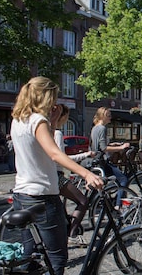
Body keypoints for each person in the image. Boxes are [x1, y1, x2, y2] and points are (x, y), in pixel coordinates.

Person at [10, 76, 103, 274]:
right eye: (53, 97)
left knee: (31, 256)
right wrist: (86, 174)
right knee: (56, 259)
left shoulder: (19, 120)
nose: (54, 102)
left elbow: (40, 149)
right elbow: (54, 153)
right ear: (45, 96)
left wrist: (52, 123)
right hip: (42, 197)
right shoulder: (37, 120)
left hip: (22, 194)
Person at [52, 104, 95, 246]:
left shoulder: (45, 131)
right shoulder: (57, 133)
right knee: (83, 201)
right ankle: (73, 234)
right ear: (62, 116)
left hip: (47, 176)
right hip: (56, 176)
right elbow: (62, 159)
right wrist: (85, 155)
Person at [90, 107, 130, 209]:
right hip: (103, 161)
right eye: (108, 115)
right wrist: (121, 147)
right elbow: (103, 148)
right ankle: (118, 205)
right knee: (123, 180)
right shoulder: (102, 128)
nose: (110, 118)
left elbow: (98, 145)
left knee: (110, 182)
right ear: (102, 116)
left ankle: (109, 201)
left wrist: (113, 144)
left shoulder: (95, 128)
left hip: (96, 160)